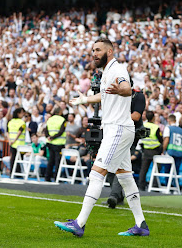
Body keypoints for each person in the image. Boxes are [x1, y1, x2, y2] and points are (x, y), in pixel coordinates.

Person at [54, 38, 149, 237]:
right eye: (93, 50)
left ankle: (79, 224)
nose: (94, 53)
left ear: (110, 51)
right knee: (125, 177)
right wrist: (84, 99)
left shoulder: (117, 69)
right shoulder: (107, 71)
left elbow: (126, 88)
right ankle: (141, 225)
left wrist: (122, 90)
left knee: (97, 174)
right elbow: (105, 95)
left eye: (98, 50)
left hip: (117, 129)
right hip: (119, 129)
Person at [106, 87, 147, 208]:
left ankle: (114, 195)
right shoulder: (115, 96)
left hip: (131, 133)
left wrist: (116, 117)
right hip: (115, 132)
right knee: (109, 165)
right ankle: (118, 197)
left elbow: (136, 116)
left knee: (120, 165)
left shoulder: (138, 96)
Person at [138, 111, 163, 191]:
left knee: (143, 169)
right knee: (157, 168)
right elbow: (160, 139)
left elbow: (140, 137)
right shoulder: (155, 127)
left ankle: (141, 186)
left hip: (146, 150)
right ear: (153, 118)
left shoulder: (143, 126)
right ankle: (154, 185)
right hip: (155, 150)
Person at [44, 107, 66, 182]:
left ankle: (47, 177)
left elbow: (46, 130)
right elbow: (61, 131)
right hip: (59, 143)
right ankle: (57, 177)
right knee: (57, 161)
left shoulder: (50, 119)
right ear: (60, 112)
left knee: (51, 160)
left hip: (50, 143)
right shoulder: (62, 120)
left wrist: (48, 137)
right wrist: (53, 137)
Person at [7, 107, 26, 174]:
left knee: (12, 158)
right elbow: (19, 132)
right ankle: (18, 172)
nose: (23, 114)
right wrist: (14, 140)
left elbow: (7, 132)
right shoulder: (22, 122)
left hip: (12, 143)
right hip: (19, 143)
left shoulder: (10, 122)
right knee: (19, 159)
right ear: (18, 114)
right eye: (22, 113)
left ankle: (12, 172)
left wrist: (10, 140)